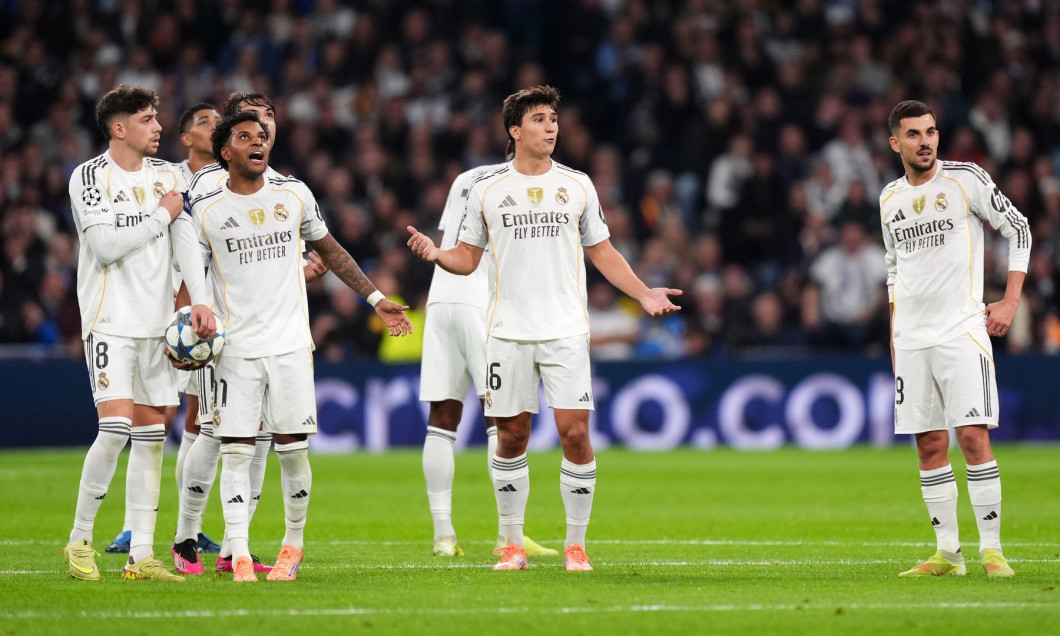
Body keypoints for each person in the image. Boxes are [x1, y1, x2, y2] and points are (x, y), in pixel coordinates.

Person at [407, 85, 681, 572]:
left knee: (575, 434)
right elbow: (467, 259)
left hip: (565, 331)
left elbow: (602, 251)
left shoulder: (577, 185)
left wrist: (642, 292)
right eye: (538, 119)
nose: (550, 126)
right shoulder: (487, 189)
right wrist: (437, 255)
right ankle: (511, 544)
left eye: (553, 118)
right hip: (507, 332)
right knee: (511, 437)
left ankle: (576, 546)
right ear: (515, 131)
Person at [192, 111, 411, 582]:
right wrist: (186, 326)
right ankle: (242, 554)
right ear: (225, 152)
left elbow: (329, 249)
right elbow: (191, 279)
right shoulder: (206, 211)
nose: (258, 142)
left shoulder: (294, 194)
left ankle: (293, 545)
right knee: (236, 450)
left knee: (292, 450)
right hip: (235, 349)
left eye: (263, 136)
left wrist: (375, 299)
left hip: (291, 344)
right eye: (245, 136)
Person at [62, 84, 215, 581]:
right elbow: (105, 246)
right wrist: (162, 213)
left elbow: (186, 241)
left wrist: (201, 299)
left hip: (157, 330)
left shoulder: (169, 176)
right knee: (114, 430)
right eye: (148, 119)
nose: (158, 127)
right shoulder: (90, 176)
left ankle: (142, 556)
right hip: (110, 322)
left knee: (151, 439)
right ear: (119, 127)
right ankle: (79, 539)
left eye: (157, 117)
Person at [171, 92, 327, 576]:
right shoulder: (205, 187)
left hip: (275, 336)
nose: (262, 127)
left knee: (257, 438)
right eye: (249, 123)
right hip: (220, 335)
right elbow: (190, 255)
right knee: (208, 429)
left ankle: (234, 546)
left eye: (268, 120)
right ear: (228, 138)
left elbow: (275, 268)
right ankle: (186, 537)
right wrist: (186, 319)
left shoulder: (287, 188)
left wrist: (303, 273)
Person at [881, 100, 1029, 578]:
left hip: (961, 329)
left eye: (931, 132)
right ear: (896, 143)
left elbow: (1019, 227)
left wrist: (1009, 301)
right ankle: (948, 554)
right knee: (928, 444)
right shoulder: (888, 199)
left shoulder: (966, 179)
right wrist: (894, 337)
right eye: (914, 134)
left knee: (971, 435)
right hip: (912, 338)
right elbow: (893, 271)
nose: (925, 141)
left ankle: (993, 551)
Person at [419, 150, 557, 559]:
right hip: (480, 302)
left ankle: (443, 537)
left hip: (441, 300)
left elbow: (452, 237)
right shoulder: (516, 184)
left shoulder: (465, 177)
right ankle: (508, 536)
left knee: (442, 418)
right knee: (502, 415)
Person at [105, 102, 224, 556]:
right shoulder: (164, 177)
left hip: (210, 313)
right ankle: (133, 527)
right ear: (187, 138)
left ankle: (186, 530)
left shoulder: (228, 183)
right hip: (170, 316)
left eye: (220, 121)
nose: (216, 128)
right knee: (157, 420)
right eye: (205, 122)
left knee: (201, 420)